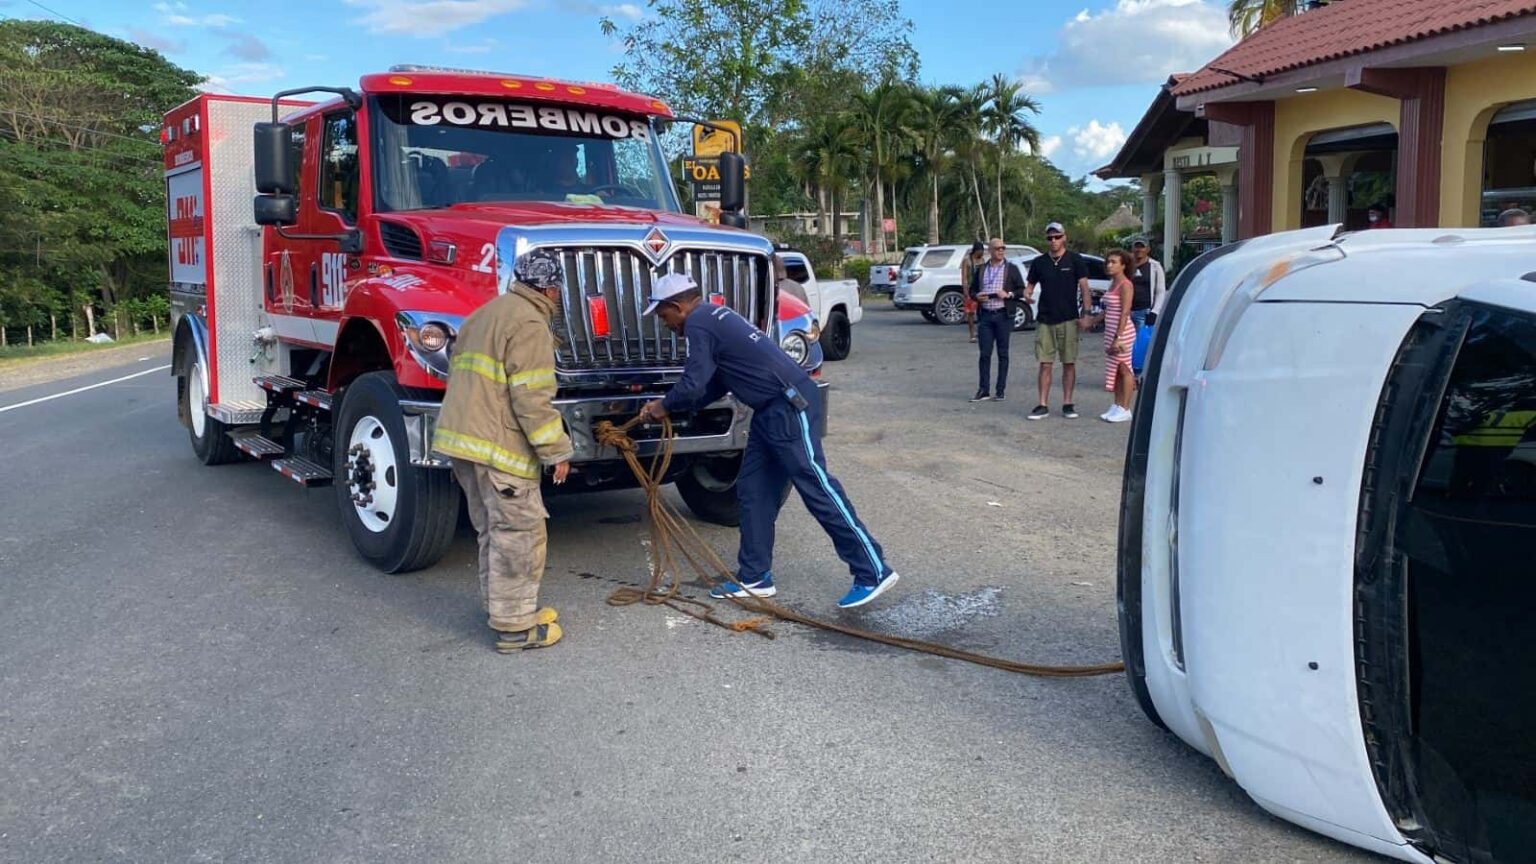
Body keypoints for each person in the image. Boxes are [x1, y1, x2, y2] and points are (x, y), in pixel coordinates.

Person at [637, 273, 900, 609]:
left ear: (677, 307)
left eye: (663, 316)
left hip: (788, 405)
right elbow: (715, 384)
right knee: (753, 491)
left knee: (816, 485)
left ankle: (872, 569)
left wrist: (661, 407)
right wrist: (673, 409)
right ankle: (755, 577)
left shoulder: (698, 323)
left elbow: (692, 383)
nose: (666, 324)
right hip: (769, 411)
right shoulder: (718, 315)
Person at [433, 249, 573, 653]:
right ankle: (515, 628)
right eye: (557, 289)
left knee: (491, 532)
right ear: (549, 287)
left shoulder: (485, 313)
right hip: (500, 449)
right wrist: (556, 451)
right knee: (520, 535)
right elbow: (532, 398)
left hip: (464, 444)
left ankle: (504, 610)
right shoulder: (529, 322)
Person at [1023, 222, 1093, 420]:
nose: (1053, 241)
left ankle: (1067, 403)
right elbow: (1029, 286)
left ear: (1064, 237)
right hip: (1046, 318)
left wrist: (1086, 314)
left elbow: (1085, 288)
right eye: (1050, 238)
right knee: (1045, 363)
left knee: (1068, 363)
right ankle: (1042, 404)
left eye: (1057, 236)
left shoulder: (1075, 259)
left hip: (1069, 318)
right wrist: (1027, 295)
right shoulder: (1039, 262)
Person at [967, 237, 1025, 403]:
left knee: (1003, 353)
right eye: (997, 248)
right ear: (990, 251)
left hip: (1003, 315)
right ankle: (983, 389)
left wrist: (1009, 295)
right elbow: (972, 290)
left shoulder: (1011, 269)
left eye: (1003, 248)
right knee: (984, 354)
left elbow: (1021, 290)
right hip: (985, 315)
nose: (1001, 251)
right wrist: (976, 296)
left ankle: (1000, 390)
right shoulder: (982, 269)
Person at [1087, 249, 1137, 423]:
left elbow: (1124, 312)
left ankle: (1125, 407)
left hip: (1122, 333)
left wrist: (1119, 337)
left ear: (1123, 265)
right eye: (1108, 262)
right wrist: (1093, 321)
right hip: (1111, 331)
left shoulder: (1125, 285)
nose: (1109, 265)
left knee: (1124, 369)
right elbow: (1108, 310)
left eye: (1114, 262)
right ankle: (1117, 405)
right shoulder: (1113, 283)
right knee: (1115, 370)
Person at [1128, 238, 1166, 328]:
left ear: (1148, 249)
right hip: (1126, 311)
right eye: (1136, 247)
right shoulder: (1126, 265)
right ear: (1132, 249)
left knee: (1142, 340)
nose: (1139, 250)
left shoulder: (1155, 266)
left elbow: (1160, 291)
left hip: (1144, 312)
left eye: (1142, 247)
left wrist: (1155, 311)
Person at [958, 241, 985, 343]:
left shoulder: (982, 260)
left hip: (981, 288)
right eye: (980, 251)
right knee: (971, 312)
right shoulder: (967, 261)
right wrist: (965, 290)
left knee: (982, 312)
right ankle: (972, 334)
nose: (981, 253)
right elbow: (964, 277)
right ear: (976, 251)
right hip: (970, 288)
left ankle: (980, 332)